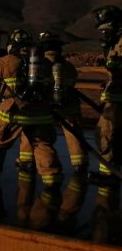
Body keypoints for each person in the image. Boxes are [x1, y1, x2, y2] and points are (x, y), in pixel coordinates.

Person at [0, 29, 63, 188]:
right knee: (43, 146)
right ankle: (52, 179)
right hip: (41, 115)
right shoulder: (44, 63)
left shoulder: (7, 61)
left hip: (12, 115)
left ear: (12, 45)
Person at [15, 31, 87, 173]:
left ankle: (27, 160)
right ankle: (80, 163)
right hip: (67, 104)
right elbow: (71, 83)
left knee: (32, 129)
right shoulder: (68, 67)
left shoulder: (37, 65)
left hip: (44, 106)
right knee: (73, 130)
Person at [93, 5, 122, 184]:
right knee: (112, 134)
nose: (102, 32)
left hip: (118, 99)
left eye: (104, 27)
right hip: (115, 96)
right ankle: (111, 170)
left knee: (106, 133)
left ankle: (109, 174)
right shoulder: (115, 42)